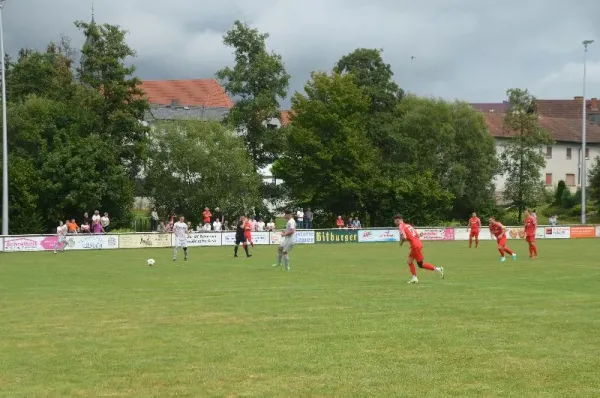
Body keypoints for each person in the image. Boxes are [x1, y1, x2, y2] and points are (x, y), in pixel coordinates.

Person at [394, 214, 444, 284]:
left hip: (415, 245)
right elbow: (417, 235)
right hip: (418, 244)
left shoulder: (401, 226)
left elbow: (404, 237)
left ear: (398, 220)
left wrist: (401, 242)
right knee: (420, 264)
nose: (395, 223)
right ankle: (438, 269)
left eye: (395, 221)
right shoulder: (408, 225)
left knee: (409, 262)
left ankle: (414, 278)